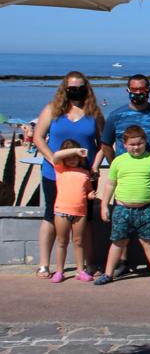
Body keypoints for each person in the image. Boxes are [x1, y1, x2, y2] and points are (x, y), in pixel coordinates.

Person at [32, 71, 105, 279]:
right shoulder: (52, 110)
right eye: (72, 88)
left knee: (86, 218)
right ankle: (45, 264)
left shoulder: (94, 113)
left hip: (84, 176)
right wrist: (52, 159)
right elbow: (38, 137)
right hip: (54, 175)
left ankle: (88, 265)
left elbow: (104, 143)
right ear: (64, 89)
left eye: (80, 87)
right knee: (50, 215)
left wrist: (95, 166)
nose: (76, 91)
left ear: (87, 88)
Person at [94, 125, 150, 285]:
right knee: (117, 241)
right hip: (122, 209)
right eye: (132, 144)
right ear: (125, 144)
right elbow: (110, 184)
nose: (136, 147)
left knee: (149, 241)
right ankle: (108, 274)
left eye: (139, 144)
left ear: (145, 142)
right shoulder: (118, 161)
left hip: (147, 209)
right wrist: (104, 205)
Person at [48, 141, 95, 283]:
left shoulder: (85, 173)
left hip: (80, 211)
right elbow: (56, 156)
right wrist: (75, 151)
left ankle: (80, 270)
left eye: (75, 157)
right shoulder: (60, 169)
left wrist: (91, 194)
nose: (72, 159)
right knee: (62, 242)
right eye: (69, 156)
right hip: (62, 210)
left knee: (78, 241)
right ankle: (59, 271)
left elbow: (88, 190)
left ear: (80, 158)